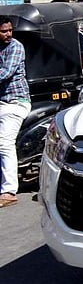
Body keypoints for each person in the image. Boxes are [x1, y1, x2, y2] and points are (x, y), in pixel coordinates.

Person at [0, 16, 30, 208]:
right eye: (4, 31)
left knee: (4, 143)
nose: (8, 34)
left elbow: (5, 73)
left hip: (15, 102)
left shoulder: (15, 47)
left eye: (10, 30)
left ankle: (9, 191)